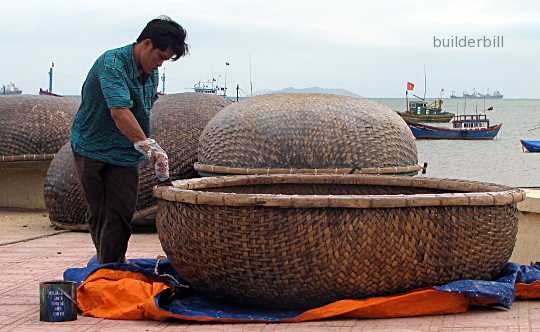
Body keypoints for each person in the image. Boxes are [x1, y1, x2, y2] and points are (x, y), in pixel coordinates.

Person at [71, 16, 189, 264]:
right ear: (146, 44)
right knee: (100, 212)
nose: (159, 65)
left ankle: (112, 265)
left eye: (165, 61)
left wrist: (149, 145)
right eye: (160, 57)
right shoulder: (112, 64)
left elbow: (143, 112)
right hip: (91, 149)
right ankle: (109, 266)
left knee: (122, 213)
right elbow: (119, 112)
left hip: (124, 153)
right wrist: (147, 145)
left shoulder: (151, 74)